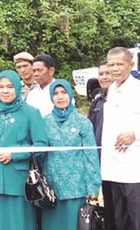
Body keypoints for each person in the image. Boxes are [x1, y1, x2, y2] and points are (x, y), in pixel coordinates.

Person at [0, 70, 48, 230]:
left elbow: (41, 145)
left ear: (17, 87)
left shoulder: (31, 112)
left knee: (20, 222)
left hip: (18, 178)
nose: (5, 91)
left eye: (10, 86)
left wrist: (15, 154)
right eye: (1, 87)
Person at [101, 47, 140, 230]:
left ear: (131, 65)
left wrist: (137, 133)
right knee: (119, 220)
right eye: (111, 65)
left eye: (120, 64)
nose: (115, 69)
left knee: (139, 221)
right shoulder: (111, 89)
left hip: (136, 168)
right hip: (113, 169)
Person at [41, 79, 100, 230]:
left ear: (70, 94)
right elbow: (39, 154)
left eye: (64, 92)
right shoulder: (44, 122)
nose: (60, 97)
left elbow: (91, 155)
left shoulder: (82, 122)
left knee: (74, 225)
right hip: (52, 188)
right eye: (56, 93)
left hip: (77, 186)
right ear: (51, 97)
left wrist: (93, 187)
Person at [87, 61, 116, 229]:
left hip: (121, 163)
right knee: (108, 202)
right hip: (101, 161)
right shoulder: (97, 102)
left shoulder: (124, 98)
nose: (104, 77)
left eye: (108, 73)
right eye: (101, 74)